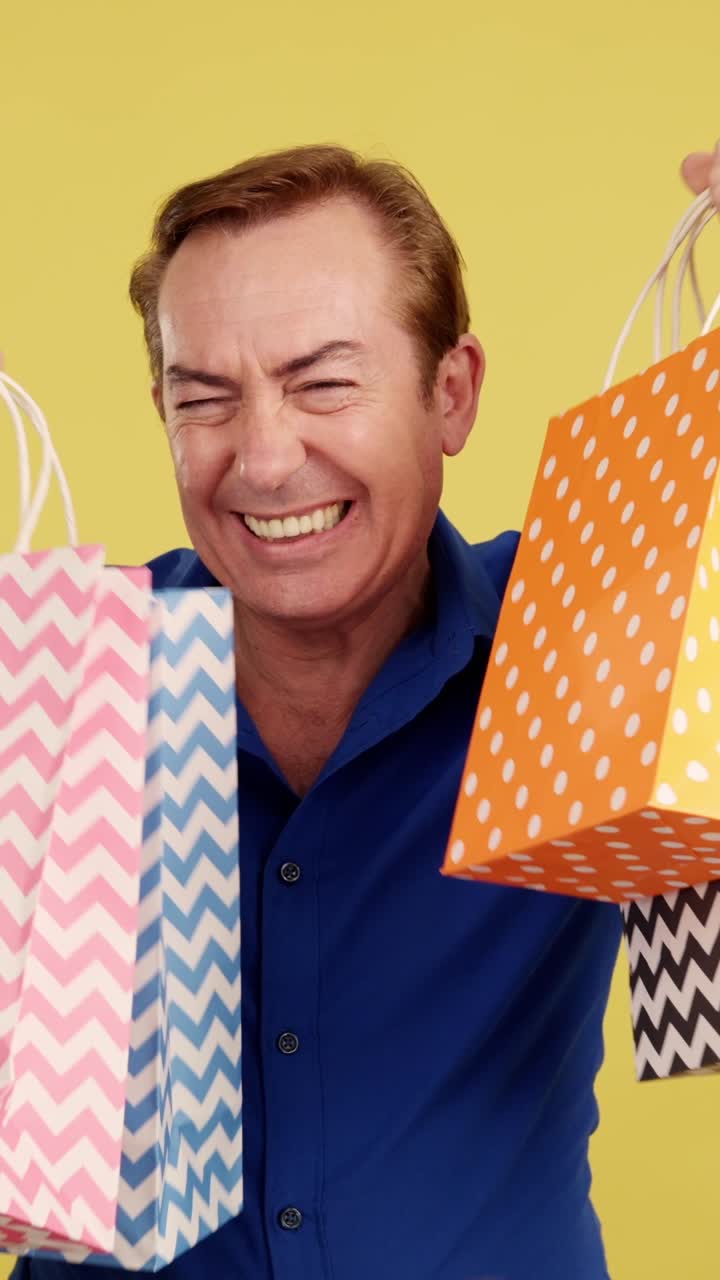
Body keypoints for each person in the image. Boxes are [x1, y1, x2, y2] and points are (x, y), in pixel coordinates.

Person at [13, 141, 720, 1280]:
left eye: (323, 381)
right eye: (205, 398)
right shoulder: (55, 688)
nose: (265, 455)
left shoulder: (589, 639)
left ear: (452, 393)